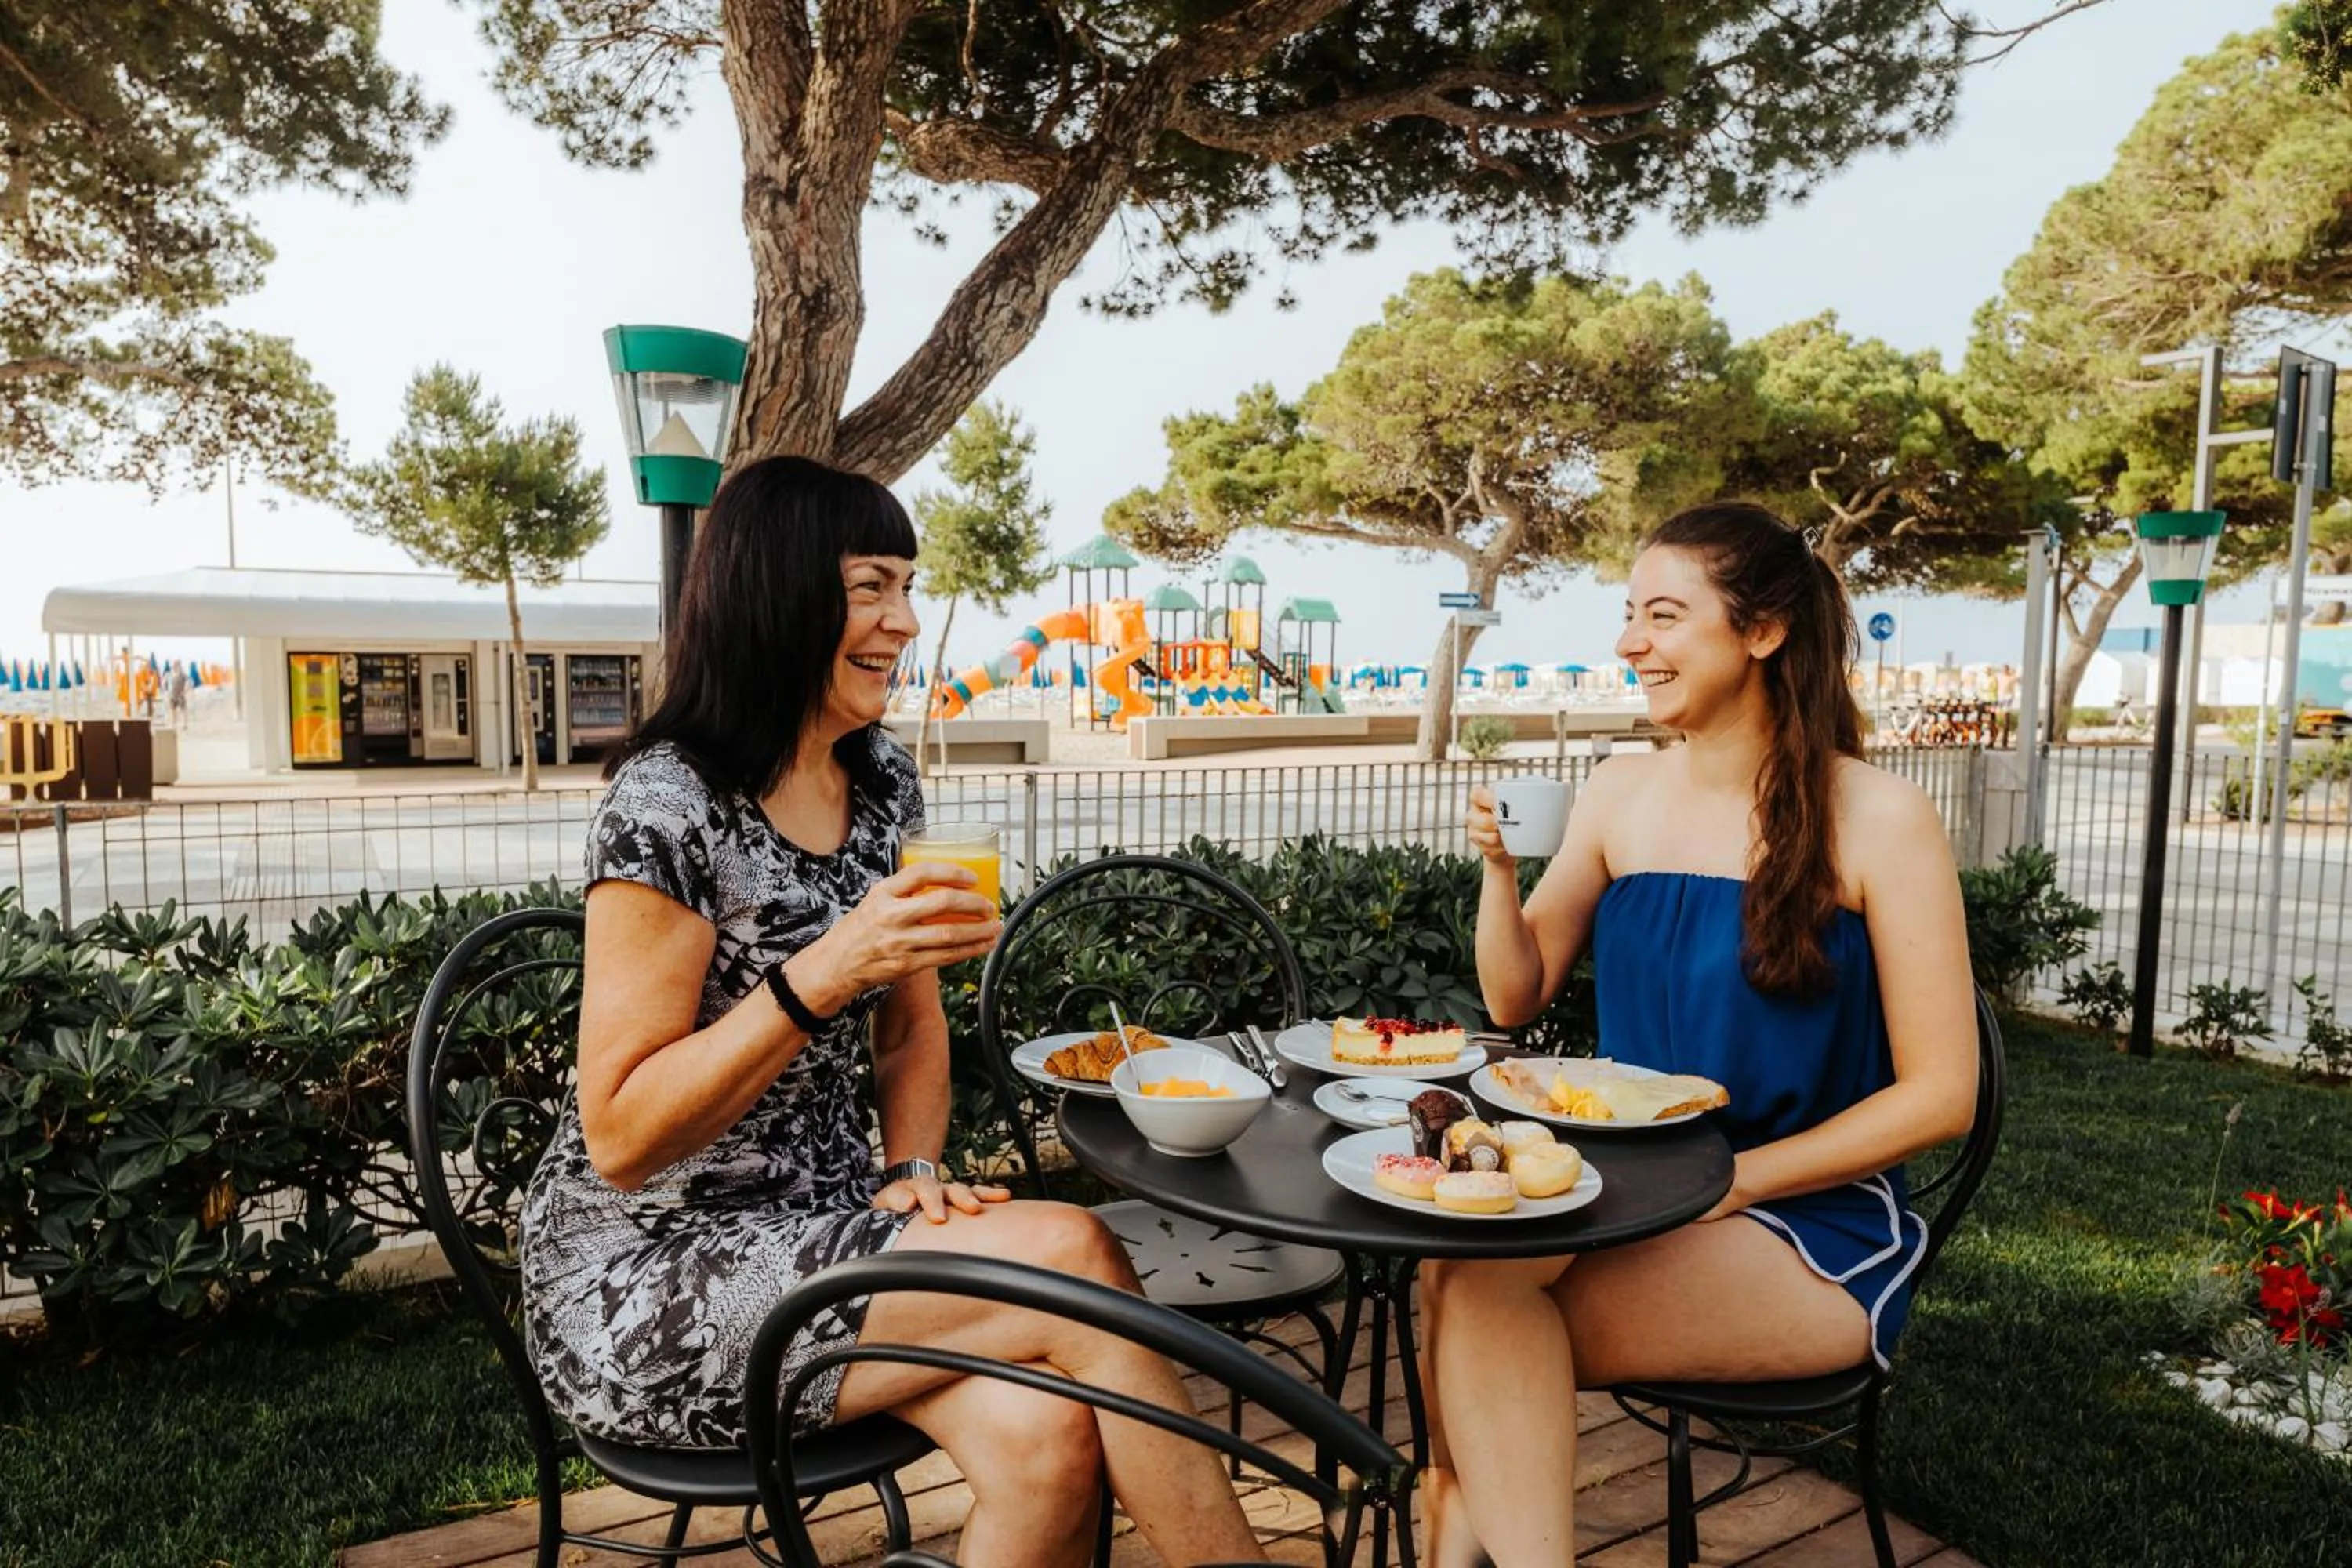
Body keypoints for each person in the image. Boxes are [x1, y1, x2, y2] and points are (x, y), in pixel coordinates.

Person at [517, 456, 1264, 1568]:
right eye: (872, 588)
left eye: (906, 588)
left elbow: (912, 1027)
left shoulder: (882, 783)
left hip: (833, 1225)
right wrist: (821, 972)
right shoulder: (668, 804)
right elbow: (622, 1137)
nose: (904, 622)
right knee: (1072, 1245)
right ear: (780, 593)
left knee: (1050, 1438)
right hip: (653, 1272)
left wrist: (913, 1170)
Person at [1424, 502, 1979, 1567]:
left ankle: (1469, 1543)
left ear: (1763, 632)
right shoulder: (1619, 792)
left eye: (1665, 615)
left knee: (1474, 1300)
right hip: (1635, 1198)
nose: (1632, 641)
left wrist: (1736, 1183)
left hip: (1811, 1229)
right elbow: (1513, 997)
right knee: (1453, 1272)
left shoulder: (1879, 818)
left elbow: (1939, 1097)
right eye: (1629, 615)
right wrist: (1499, 868)